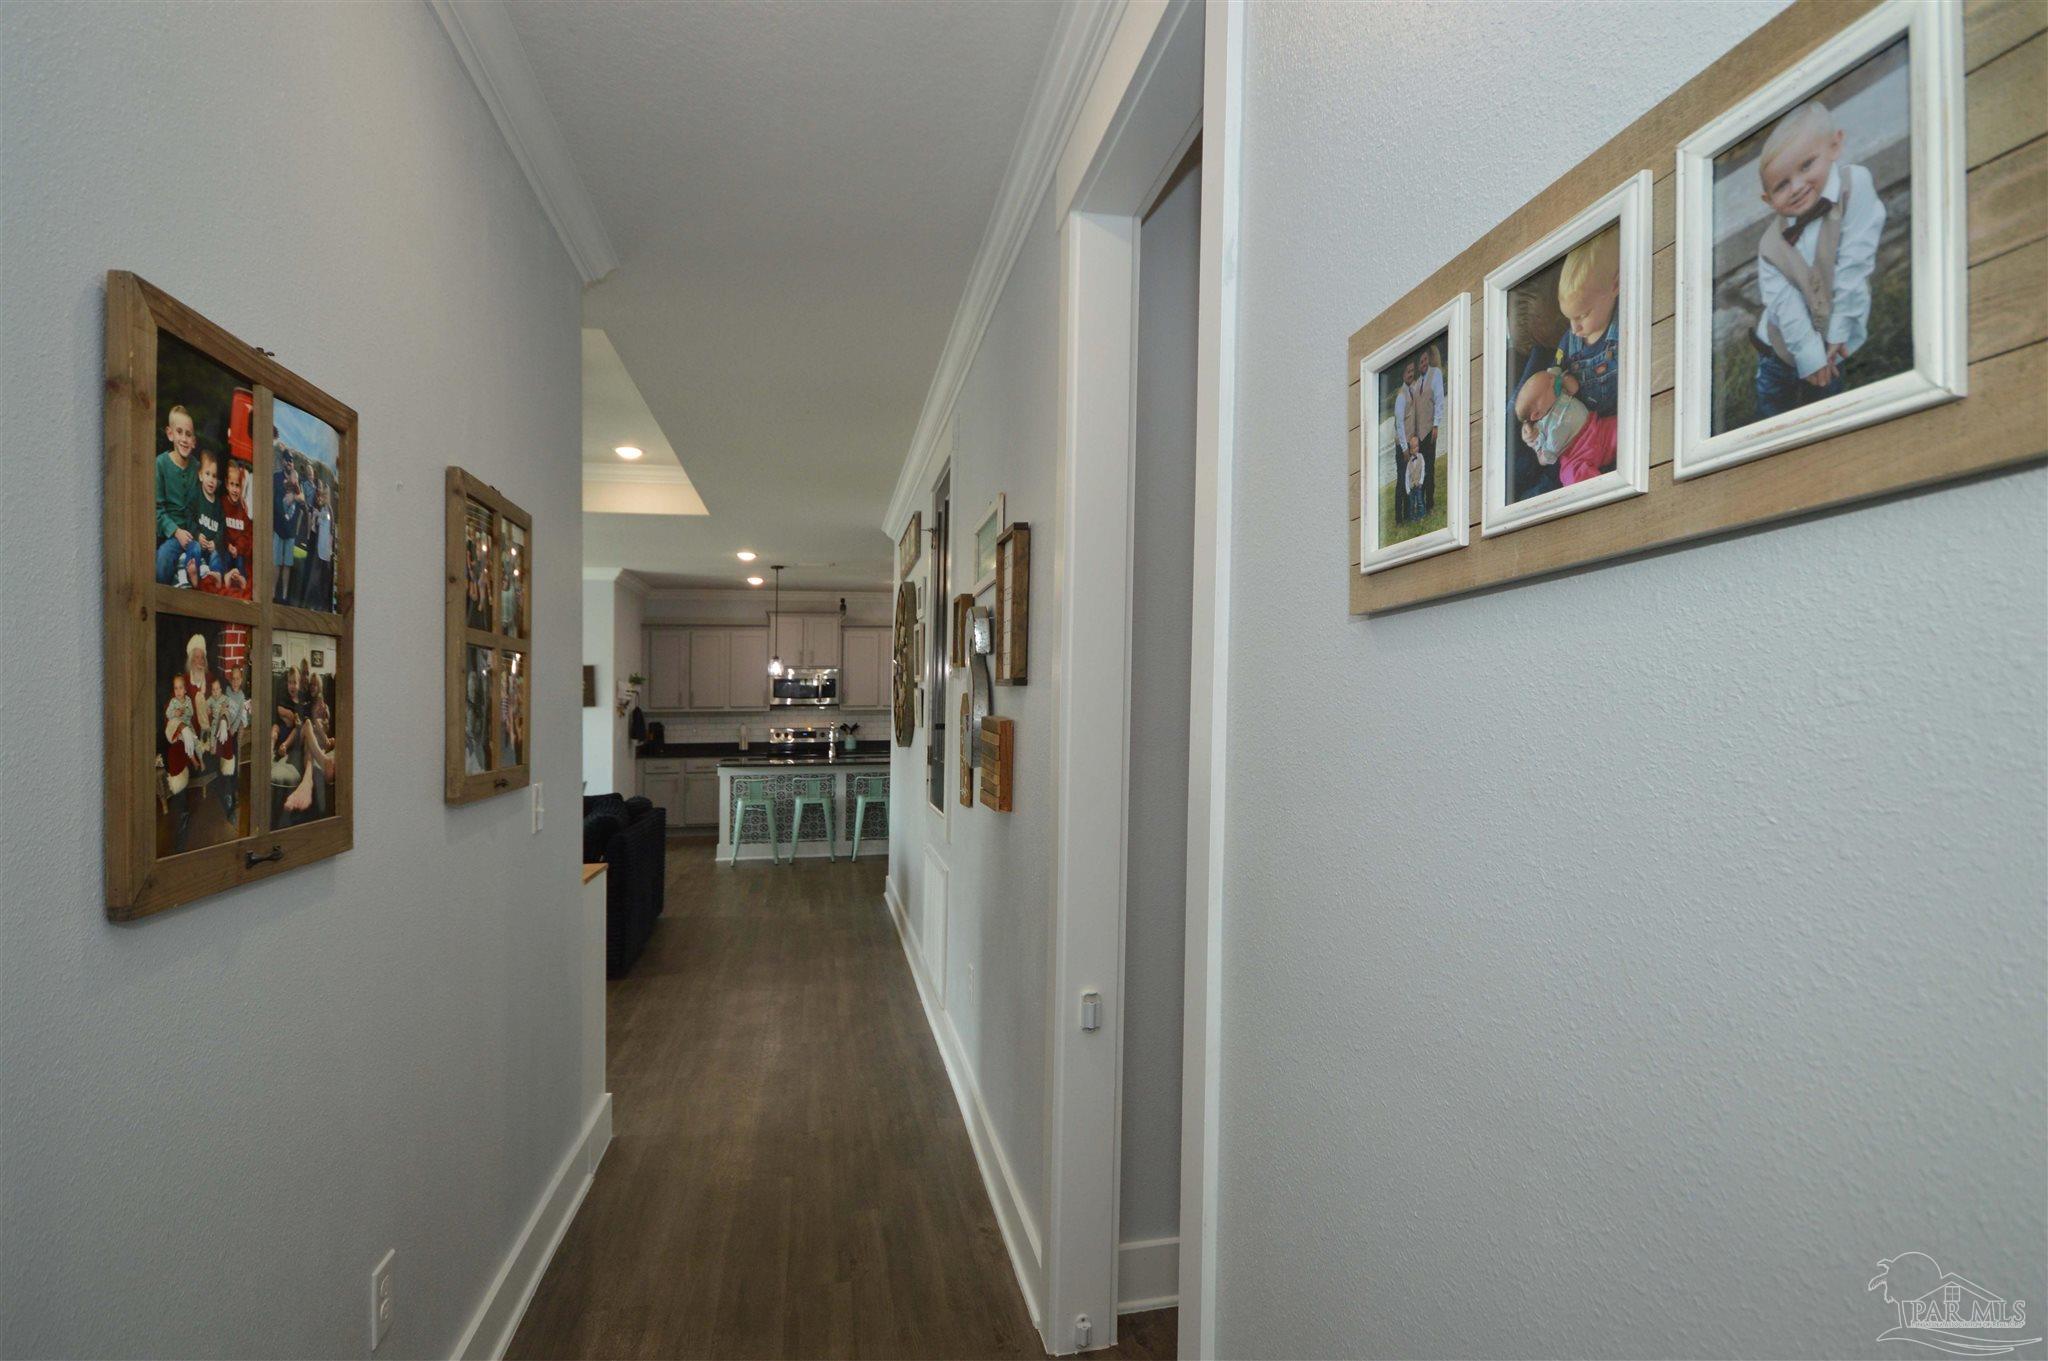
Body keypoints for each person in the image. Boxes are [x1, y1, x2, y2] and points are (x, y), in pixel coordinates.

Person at [1751, 99, 1884, 419]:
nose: (1796, 187)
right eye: (1782, 185)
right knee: (1772, 409)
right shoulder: (1770, 245)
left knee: (1827, 411)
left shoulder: (1855, 186)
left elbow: (1855, 262)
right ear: (1768, 200)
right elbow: (1784, 303)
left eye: (1807, 165)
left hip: (1834, 341)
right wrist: (1811, 358)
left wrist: (1838, 333)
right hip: (1779, 349)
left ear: (1835, 145)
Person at [1515, 367, 1615, 487]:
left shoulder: (1560, 394)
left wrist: (1562, 380)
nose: (1553, 381)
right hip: (1575, 453)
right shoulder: (1539, 430)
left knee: (1622, 426)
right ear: (1537, 414)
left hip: (1597, 429)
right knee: (1572, 476)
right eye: (1549, 385)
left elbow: (1574, 387)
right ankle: (1602, 492)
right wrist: (1544, 453)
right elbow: (1543, 459)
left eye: (1551, 378)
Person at [153, 405, 201, 584]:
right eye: (179, 432)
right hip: (170, 536)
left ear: (193, 440)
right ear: (170, 433)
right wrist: (175, 531)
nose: (184, 439)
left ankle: (186, 578)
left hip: (192, 535)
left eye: (188, 434)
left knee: (197, 556)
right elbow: (157, 509)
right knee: (162, 563)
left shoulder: (197, 468)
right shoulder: (161, 464)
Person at [1390, 356, 1440, 525]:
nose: (1411, 374)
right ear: (1403, 374)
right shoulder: (1401, 396)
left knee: (1412, 475)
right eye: (1408, 371)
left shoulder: (1412, 389)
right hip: (1402, 447)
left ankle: (1410, 513)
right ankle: (1399, 518)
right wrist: (1404, 448)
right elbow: (1399, 424)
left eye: (1412, 370)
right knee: (1401, 481)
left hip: (1410, 446)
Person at [178, 449, 227, 588]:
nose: (211, 480)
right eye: (207, 474)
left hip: (210, 548)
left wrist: (215, 542)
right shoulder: (196, 496)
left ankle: (215, 576)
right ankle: (192, 573)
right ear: (200, 476)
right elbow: (188, 516)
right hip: (197, 542)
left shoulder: (218, 505)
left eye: (214, 476)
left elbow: (221, 527)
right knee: (195, 548)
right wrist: (197, 535)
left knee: (217, 555)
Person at [272, 453, 303, 603]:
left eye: (292, 461)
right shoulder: (276, 477)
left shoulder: (297, 482)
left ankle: (284, 596)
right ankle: (272, 594)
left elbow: (302, 499)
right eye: (288, 460)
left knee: (288, 564)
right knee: (276, 562)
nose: (290, 463)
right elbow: (273, 499)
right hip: (278, 527)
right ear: (283, 461)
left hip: (291, 530)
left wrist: (294, 497)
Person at [218, 460, 252, 598]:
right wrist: (228, 545)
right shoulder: (222, 504)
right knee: (224, 558)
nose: (234, 489)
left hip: (237, 551)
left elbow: (247, 534)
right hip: (226, 548)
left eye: (237, 486)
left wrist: (237, 548)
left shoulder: (243, 510)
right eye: (232, 485)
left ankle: (239, 578)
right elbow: (220, 529)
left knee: (240, 560)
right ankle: (227, 576)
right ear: (226, 484)